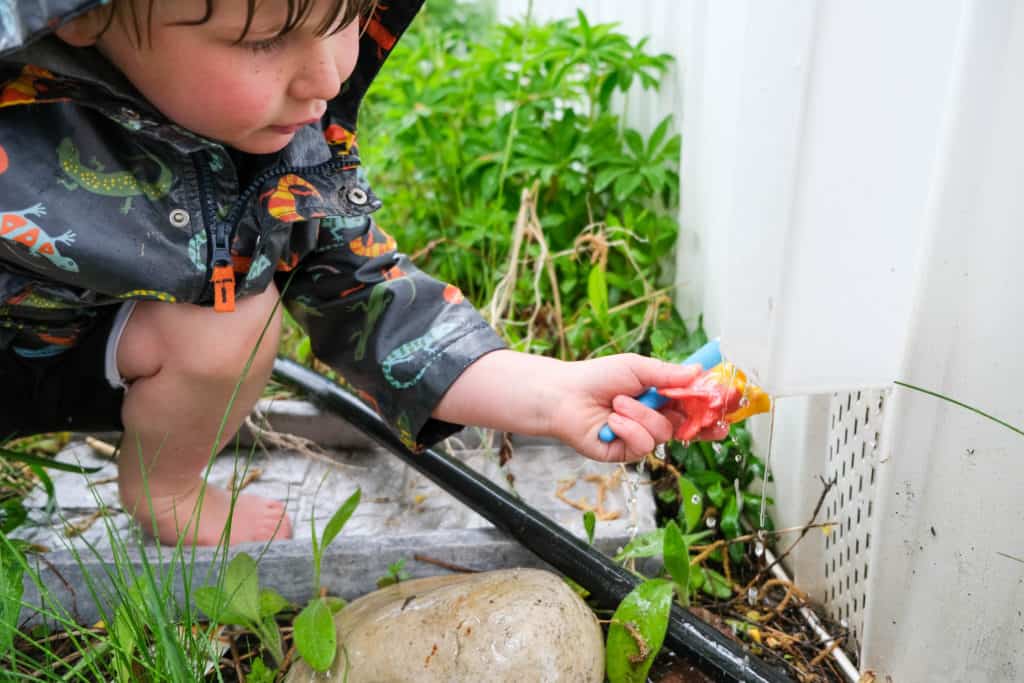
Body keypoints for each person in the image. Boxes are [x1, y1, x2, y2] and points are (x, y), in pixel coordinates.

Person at [0, 0, 704, 547]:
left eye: (349, 18)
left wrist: (555, 395)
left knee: (234, 325)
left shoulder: (282, 151)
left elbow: (376, 305)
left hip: (93, 355)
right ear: (84, 15)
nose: (330, 73)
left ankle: (167, 489)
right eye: (264, 40)